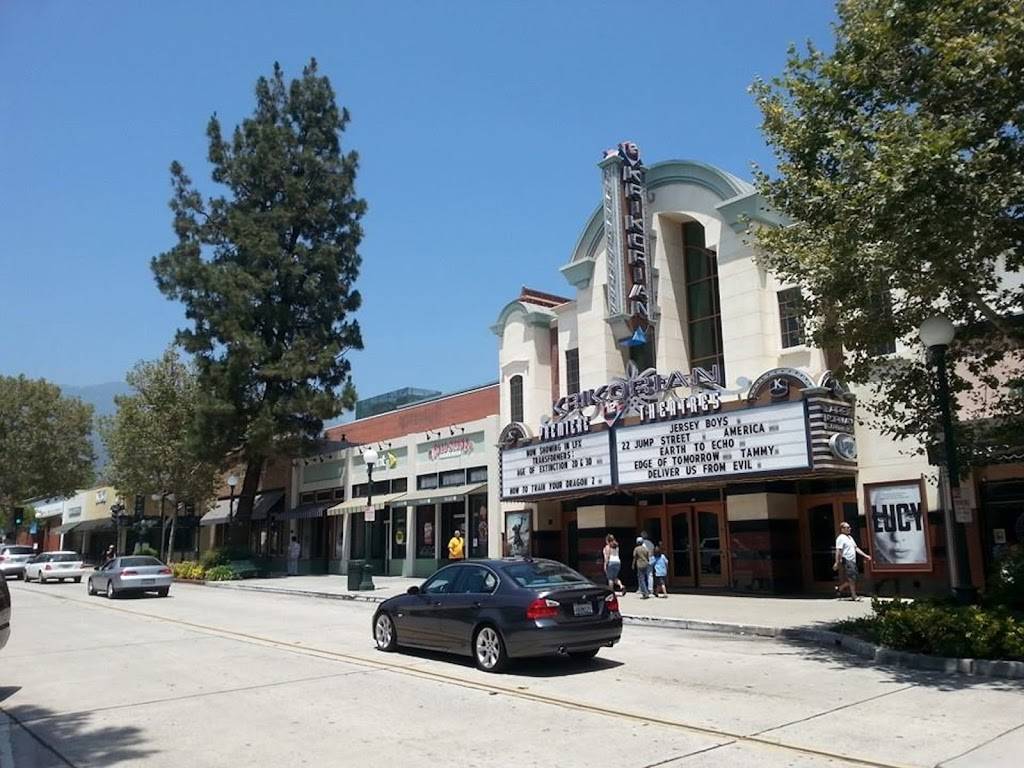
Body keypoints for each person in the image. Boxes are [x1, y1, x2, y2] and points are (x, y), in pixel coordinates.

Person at [833, 522, 871, 600]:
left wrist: (865, 555)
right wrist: (837, 562)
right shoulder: (840, 538)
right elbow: (838, 550)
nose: (849, 529)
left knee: (854, 578)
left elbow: (856, 548)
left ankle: (840, 588)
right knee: (852, 578)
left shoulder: (850, 537)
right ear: (842, 529)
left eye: (849, 527)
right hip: (847, 560)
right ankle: (854, 595)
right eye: (847, 527)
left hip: (853, 561)